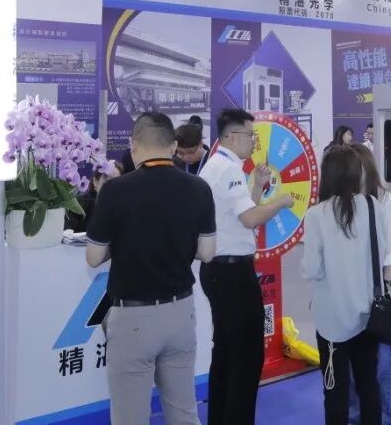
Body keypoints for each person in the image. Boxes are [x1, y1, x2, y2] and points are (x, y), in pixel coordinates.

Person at [87, 112, 217, 425]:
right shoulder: (199, 188)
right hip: (180, 311)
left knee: (130, 417)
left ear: (133, 145)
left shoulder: (115, 191)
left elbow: (93, 256)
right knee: (183, 411)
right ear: (173, 147)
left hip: (132, 317)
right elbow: (207, 252)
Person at [198, 109, 293, 425]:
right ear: (230, 137)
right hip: (233, 274)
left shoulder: (216, 166)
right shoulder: (229, 171)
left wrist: (258, 187)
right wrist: (280, 202)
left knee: (226, 351)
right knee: (247, 356)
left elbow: (238, 215)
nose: (254, 141)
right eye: (250, 135)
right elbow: (251, 219)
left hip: (219, 270)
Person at [301, 146, 384, 425]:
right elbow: (381, 254)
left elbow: (312, 269)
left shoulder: (317, 215)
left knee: (335, 392)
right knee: (368, 385)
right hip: (367, 315)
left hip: (332, 321)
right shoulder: (372, 206)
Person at [348, 144, 391, 425]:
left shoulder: (385, 201)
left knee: (382, 367)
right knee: (352, 366)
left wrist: (385, 293)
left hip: (378, 292)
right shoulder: (342, 202)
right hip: (349, 293)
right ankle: (355, 417)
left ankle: (383, 419)